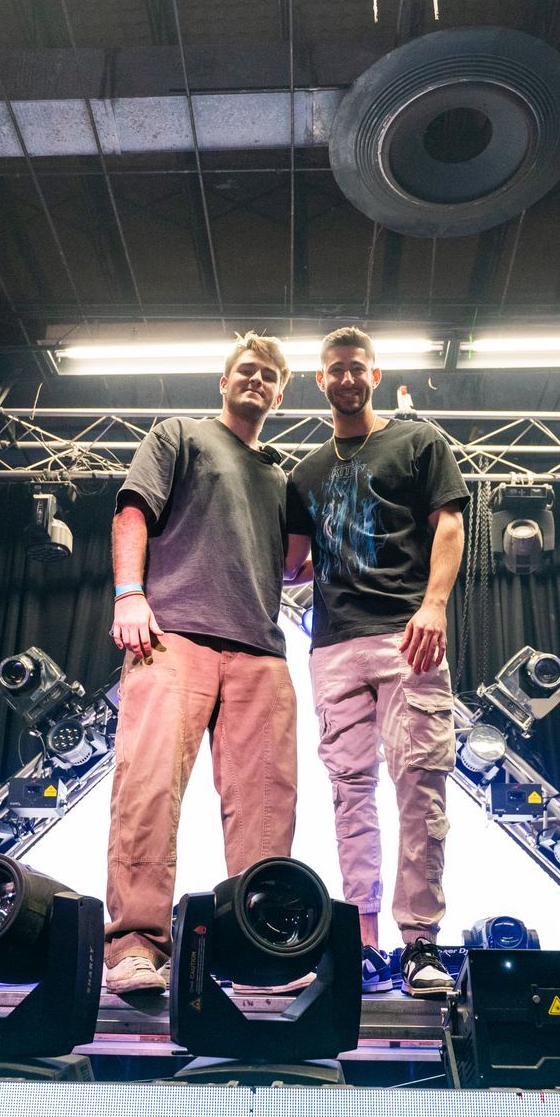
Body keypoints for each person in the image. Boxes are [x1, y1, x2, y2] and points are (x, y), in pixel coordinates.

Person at [102, 333, 300, 994]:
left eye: (268, 375)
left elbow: (295, 563)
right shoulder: (179, 434)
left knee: (267, 808)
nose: (256, 379)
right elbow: (133, 511)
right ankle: (135, 947)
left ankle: (260, 953)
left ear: (280, 394)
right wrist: (129, 594)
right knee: (148, 789)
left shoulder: (280, 475)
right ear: (224, 381)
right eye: (247, 369)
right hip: (171, 635)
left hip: (259, 649)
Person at [285, 327, 468, 997]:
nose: (346, 377)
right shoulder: (304, 472)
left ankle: (420, 944)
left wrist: (435, 605)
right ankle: (362, 944)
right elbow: (291, 564)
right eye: (335, 368)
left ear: (375, 374)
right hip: (333, 645)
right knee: (350, 792)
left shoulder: (418, 442)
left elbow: (450, 526)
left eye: (356, 367)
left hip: (405, 636)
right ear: (320, 379)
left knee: (421, 787)